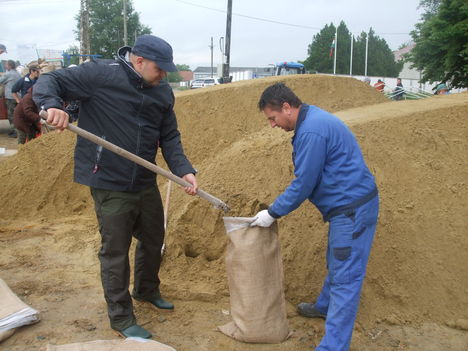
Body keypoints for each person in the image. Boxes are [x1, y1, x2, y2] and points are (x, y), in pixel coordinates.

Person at [33, 34, 198, 339]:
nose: (164, 75)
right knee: (116, 249)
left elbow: (170, 136)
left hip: (144, 178)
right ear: (139, 61)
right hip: (108, 177)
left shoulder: (161, 91)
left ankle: (146, 289)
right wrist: (53, 106)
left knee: (153, 237)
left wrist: (184, 170)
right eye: (159, 68)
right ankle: (121, 317)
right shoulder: (99, 74)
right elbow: (49, 80)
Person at [250, 82, 379, 351]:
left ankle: (333, 347)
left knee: (346, 278)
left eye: (272, 118)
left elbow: (304, 183)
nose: (272, 125)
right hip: (347, 207)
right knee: (337, 259)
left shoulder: (312, 132)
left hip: (351, 210)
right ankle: (324, 306)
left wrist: (272, 212)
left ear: (286, 107)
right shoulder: (312, 119)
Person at [0, 60, 21, 137]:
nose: (5, 66)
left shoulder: (8, 74)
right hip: (18, 96)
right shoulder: (17, 73)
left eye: (6, 65)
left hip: (10, 97)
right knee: (17, 114)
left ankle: (15, 131)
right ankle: (16, 130)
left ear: (9, 66)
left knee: (11, 115)